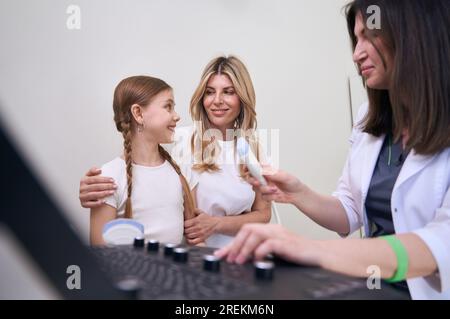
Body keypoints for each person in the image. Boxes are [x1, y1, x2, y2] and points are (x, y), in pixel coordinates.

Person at [215, 0, 450, 300]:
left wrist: (310, 248)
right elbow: (349, 211)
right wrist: (297, 193)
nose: (356, 53)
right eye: (356, 38)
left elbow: (441, 243)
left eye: (370, 35)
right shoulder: (369, 118)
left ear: (415, 34)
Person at [80, 56, 271, 248]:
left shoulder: (253, 147)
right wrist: (91, 189)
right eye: (209, 92)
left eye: (229, 92)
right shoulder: (179, 138)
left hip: (240, 251)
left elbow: (264, 213)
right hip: (191, 258)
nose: (217, 101)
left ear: (242, 97)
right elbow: (141, 163)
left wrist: (217, 224)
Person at [90, 75, 196, 246]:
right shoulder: (109, 177)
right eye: (168, 107)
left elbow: (196, 242)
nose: (177, 116)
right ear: (138, 113)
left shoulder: (179, 173)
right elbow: (99, 251)